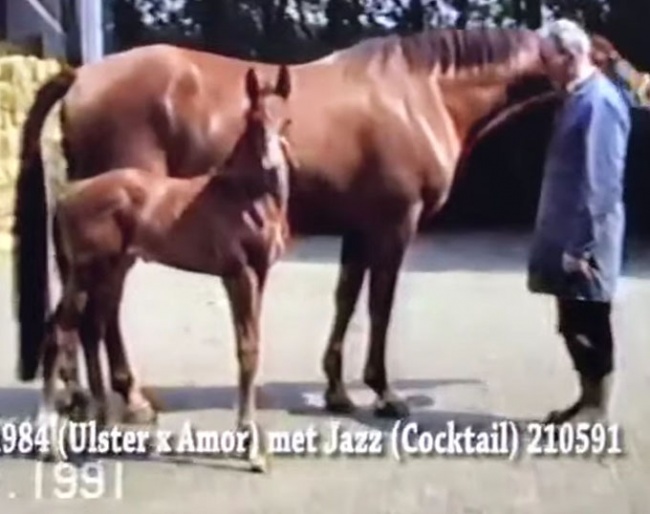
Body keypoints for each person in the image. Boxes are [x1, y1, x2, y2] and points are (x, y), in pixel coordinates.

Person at [528, 19, 632, 424]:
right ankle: (586, 401)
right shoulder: (577, 97)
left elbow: (601, 182)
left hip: (584, 244)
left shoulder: (599, 103)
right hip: (569, 240)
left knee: (589, 325)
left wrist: (580, 248)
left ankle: (594, 411)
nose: (543, 67)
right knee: (573, 324)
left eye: (547, 59)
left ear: (570, 56)